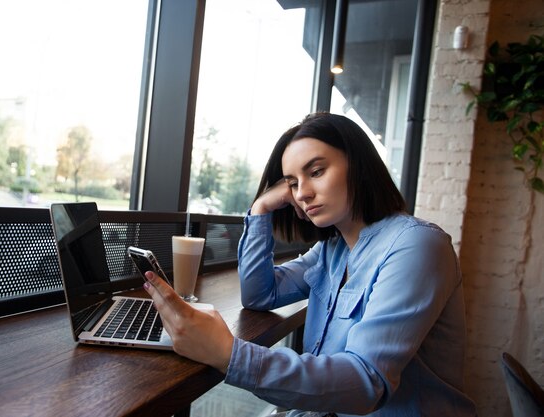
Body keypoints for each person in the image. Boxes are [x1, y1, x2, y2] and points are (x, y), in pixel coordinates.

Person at [143, 112, 477, 416]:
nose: (301, 193)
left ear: (359, 165)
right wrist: (260, 209)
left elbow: (365, 384)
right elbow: (260, 294)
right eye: (291, 182)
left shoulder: (416, 245)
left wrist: (228, 354)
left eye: (316, 172)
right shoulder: (333, 250)